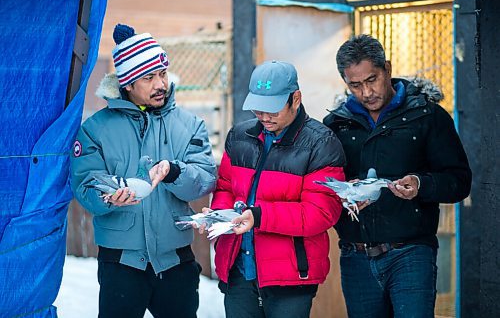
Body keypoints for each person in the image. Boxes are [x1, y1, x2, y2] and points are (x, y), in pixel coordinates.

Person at [70, 24, 217, 318]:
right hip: (121, 263)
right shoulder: (95, 130)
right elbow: (85, 184)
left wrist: (175, 172)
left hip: (176, 261)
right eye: (149, 78)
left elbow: (204, 180)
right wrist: (109, 198)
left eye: (162, 73)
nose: (160, 84)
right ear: (127, 83)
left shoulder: (190, 125)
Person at [323, 34, 472, 318]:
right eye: (355, 85)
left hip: (411, 253)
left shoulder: (428, 116)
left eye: (372, 80)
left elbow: (459, 181)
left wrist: (420, 184)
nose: (366, 93)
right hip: (356, 256)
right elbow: (324, 186)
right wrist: (346, 195)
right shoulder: (336, 124)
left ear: (387, 69)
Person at [205, 60, 346, 318]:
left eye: (272, 109)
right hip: (238, 269)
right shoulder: (239, 136)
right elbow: (225, 187)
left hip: (290, 276)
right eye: (258, 109)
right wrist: (218, 215)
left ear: (296, 99)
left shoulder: (321, 143)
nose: (264, 117)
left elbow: (321, 212)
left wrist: (259, 217)